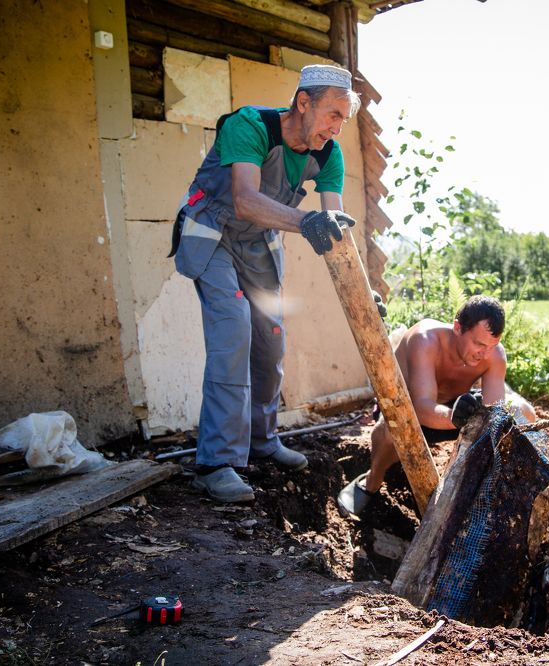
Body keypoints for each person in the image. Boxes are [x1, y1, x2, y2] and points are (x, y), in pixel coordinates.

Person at [169, 64, 361, 503]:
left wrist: (361, 290)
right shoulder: (250, 125)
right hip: (213, 231)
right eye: (332, 115)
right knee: (233, 327)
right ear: (303, 102)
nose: (336, 129)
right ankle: (216, 463)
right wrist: (306, 220)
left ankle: (262, 439)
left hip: (257, 244)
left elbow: (336, 227)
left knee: (271, 339)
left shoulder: (328, 154)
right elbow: (245, 199)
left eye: (343, 120)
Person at [337, 295, 537, 517]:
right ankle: (371, 481)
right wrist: (455, 417)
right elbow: (421, 407)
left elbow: (495, 415)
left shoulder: (494, 356)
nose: (485, 353)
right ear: (457, 328)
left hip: (453, 414)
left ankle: (475, 499)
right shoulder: (425, 339)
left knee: (524, 411)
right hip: (410, 412)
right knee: (390, 428)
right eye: (479, 344)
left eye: (492, 346)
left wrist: (485, 423)